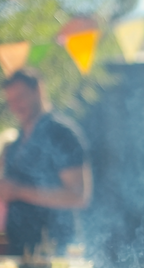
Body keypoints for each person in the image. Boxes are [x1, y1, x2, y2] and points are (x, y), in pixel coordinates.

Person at [0, 68, 92, 256]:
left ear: (38, 91)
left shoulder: (62, 134)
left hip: (54, 249)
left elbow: (78, 196)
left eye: (20, 97)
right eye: (11, 101)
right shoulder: (16, 141)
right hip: (20, 249)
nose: (15, 106)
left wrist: (19, 191)